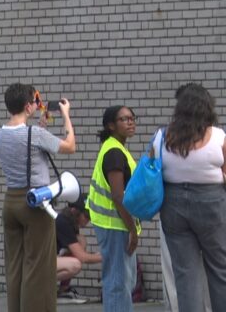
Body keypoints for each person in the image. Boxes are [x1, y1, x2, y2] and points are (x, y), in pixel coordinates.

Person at [0, 83, 76, 312]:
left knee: (15, 266)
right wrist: (66, 116)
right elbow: (70, 146)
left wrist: (42, 123)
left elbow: (25, 147)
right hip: (36, 203)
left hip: (11, 202)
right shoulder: (35, 134)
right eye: (35, 101)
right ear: (28, 106)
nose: (37, 105)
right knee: (38, 267)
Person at [155, 83, 226, 311]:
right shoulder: (218, 136)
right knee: (220, 268)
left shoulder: (162, 136)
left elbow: (153, 169)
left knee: (186, 274)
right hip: (211, 203)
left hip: (173, 205)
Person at [87, 105, 140, 312]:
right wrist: (132, 230)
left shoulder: (116, 148)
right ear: (111, 125)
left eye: (132, 118)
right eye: (124, 119)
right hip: (115, 226)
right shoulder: (114, 153)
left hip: (115, 224)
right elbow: (118, 196)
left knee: (123, 282)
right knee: (118, 284)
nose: (130, 122)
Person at [56, 194, 102, 304]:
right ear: (75, 212)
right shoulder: (63, 222)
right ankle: (41, 287)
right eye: (86, 216)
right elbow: (82, 257)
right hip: (38, 264)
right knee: (75, 265)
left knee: (81, 240)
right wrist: (106, 256)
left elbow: (78, 252)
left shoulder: (71, 223)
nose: (88, 220)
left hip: (48, 260)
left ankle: (63, 291)